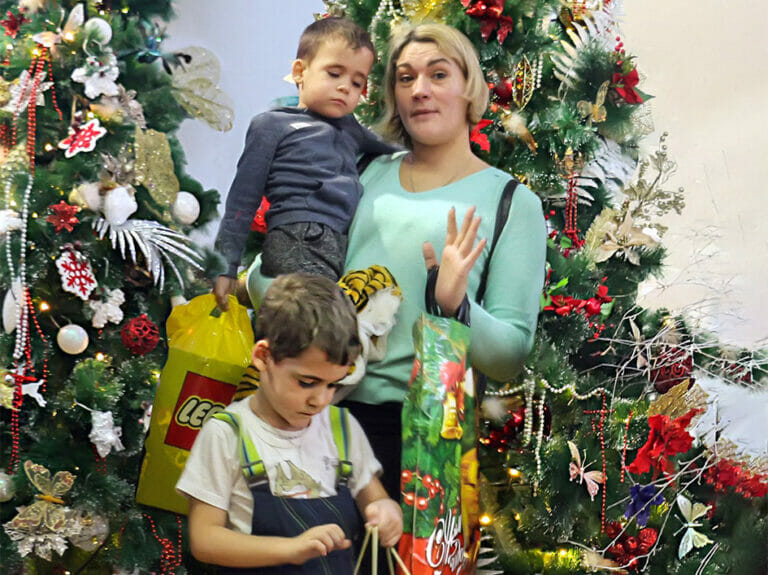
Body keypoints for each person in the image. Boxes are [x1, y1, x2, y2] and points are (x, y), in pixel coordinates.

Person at [338, 23, 548, 501]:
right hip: (316, 413)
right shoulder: (364, 171)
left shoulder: (511, 202)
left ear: (469, 88)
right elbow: (302, 273)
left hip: (418, 437)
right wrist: (252, 280)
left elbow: (510, 354)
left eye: (438, 74)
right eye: (405, 78)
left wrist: (457, 307)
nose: (420, 91)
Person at [177, 273, 402, 573]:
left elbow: (375, 499)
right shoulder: (226, 434)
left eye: (333, 385)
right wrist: (291, 548)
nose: (321, 399)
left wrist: (387, 511)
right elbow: (205, 540)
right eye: (307, 382)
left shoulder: (343, 428)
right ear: (264, 356)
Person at [213, 17, 398, 312]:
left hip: (339, 241)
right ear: (300, 71)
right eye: (334, 73)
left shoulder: (351, 128)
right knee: (313, 319)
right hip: (298, 235)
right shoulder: (272, 124)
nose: (344, 88)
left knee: (323, 321)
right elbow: (242, 200)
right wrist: (226, 267)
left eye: (356, 82)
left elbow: (394, 150)